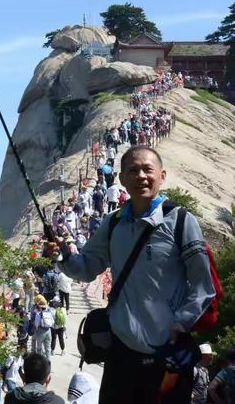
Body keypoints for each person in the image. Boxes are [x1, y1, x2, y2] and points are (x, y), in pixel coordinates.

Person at [54, 145, 215, 404]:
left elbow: (203, 286)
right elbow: (87, 269)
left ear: (162, 176)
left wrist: (181, 323)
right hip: (122, 354)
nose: (141, 176)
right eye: (133, 170)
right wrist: (63, 255)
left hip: (169, 356)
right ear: (122, 180)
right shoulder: (113, 222)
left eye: (147, 169)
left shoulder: (182, 221)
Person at [30, 295, 54, 361]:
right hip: (48, 331)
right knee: (48, 349)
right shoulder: (49, 311)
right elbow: (52, 321)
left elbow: (36, 324)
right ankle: (49, 363)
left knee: (39, 349)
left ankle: (39, 363)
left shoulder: (38, 313)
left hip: (40, 331)